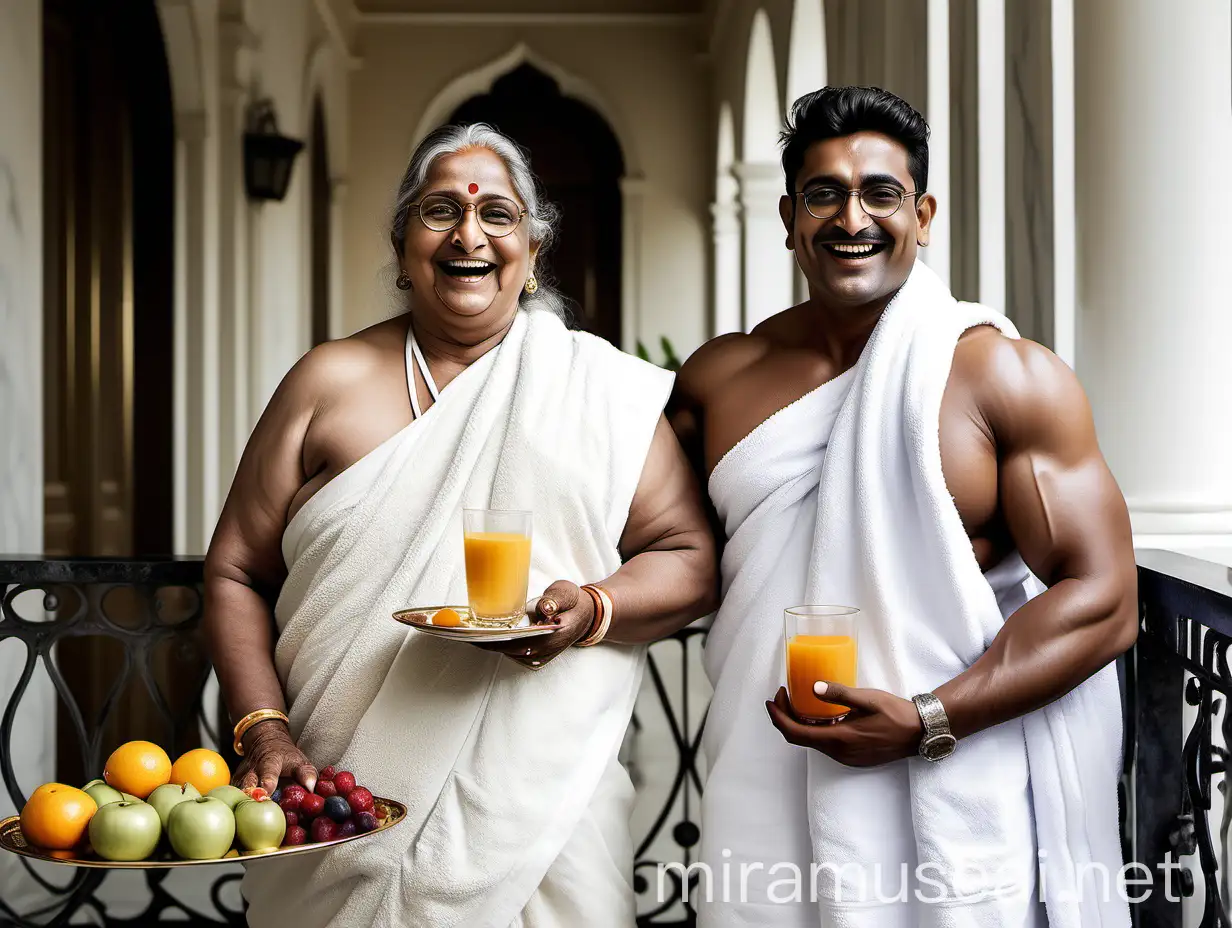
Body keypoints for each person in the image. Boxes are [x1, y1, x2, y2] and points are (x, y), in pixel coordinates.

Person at [203, 123, 718, 927]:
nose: (469, 234)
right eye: (439, 210)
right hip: (338, 795)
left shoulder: (597, 393)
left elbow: (687, 554)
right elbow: (235, 570)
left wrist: (593, 609)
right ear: (404, 242)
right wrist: (264, 731)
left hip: (542, 804)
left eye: (498, 216)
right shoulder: (327, 382)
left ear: (533, 249)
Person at [672, 86, 1137, 926]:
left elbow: (1103, 599)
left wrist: (929, 719)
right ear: (787, 217)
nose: (852, 216)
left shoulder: (1003, 375)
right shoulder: (718, 379)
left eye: (880, 194)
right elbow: (671, 555)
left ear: (922, 215)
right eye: (824, 194)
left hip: (954, 773)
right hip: (763, 766)